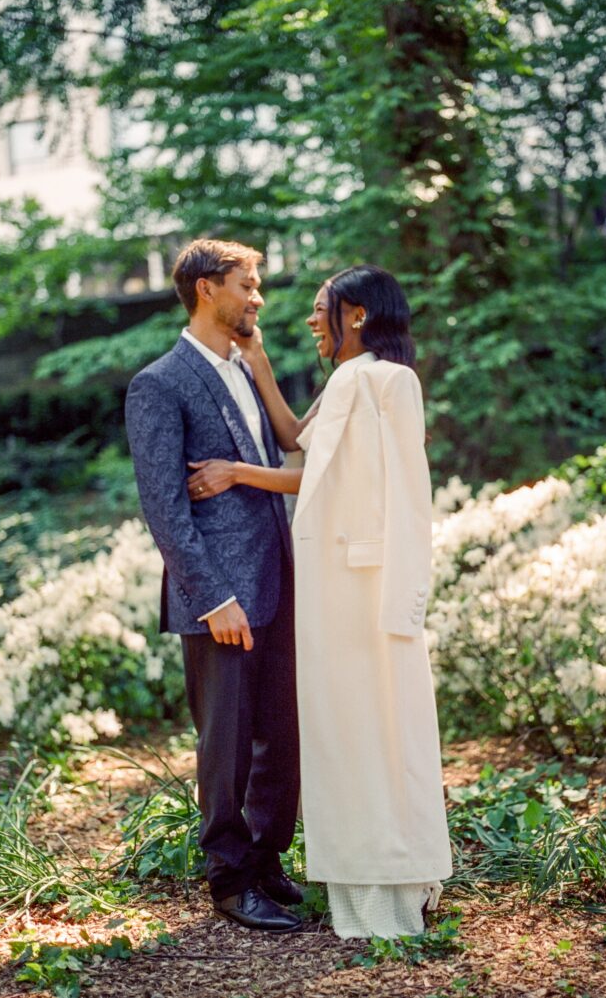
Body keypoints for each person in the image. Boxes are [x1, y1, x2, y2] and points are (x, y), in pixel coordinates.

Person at [187, 264, 453, 939]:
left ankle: (392, 879)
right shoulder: (346, 381)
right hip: (331, 586)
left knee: (372, 730)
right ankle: (368, 876)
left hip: (361, 587)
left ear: (357, 314)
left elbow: (327, 478)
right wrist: (259, 360)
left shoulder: (387, 381)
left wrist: (234, 472)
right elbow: (296, 436)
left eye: (320, 308)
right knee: (342, 731)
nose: (310, 319)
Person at [125, 239, 304, 933]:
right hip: (220, 599)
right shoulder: (159, 383)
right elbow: (165, 509)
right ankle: (229, 880)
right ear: (206, 288)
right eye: (246, 284)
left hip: (277, 581)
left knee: (278, 736)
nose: (257, 297)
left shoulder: (244, 365)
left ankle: (264, 858)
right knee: (225, 746)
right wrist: (214, 598)